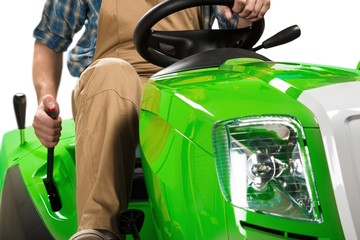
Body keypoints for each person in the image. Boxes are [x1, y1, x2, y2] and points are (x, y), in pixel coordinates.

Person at [31, 0, 270, 239]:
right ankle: (98, 228)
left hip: (185, 84)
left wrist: (248, 8)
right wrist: (45, 100)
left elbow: (235, 22)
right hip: (110, 89)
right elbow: (49, 39)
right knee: (112, 71)